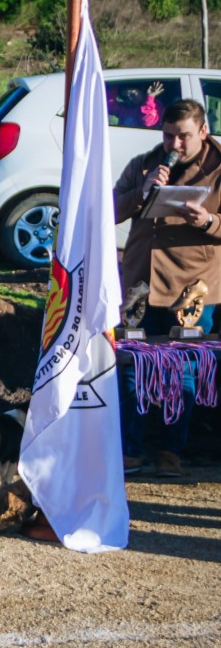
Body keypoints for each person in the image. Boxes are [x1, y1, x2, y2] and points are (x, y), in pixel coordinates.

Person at [113, 98, 221, 478]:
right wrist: (141, 192)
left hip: (191, 289)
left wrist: (209, 221)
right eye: (168, 135)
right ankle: (130, 449)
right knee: (132, 363)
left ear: (203, 132)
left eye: (183, 137)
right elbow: (109, 209)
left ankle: (170, 452)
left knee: (181, 370)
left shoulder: (219, 169)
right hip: (141, 284)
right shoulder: (145, 163)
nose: (174, 145)